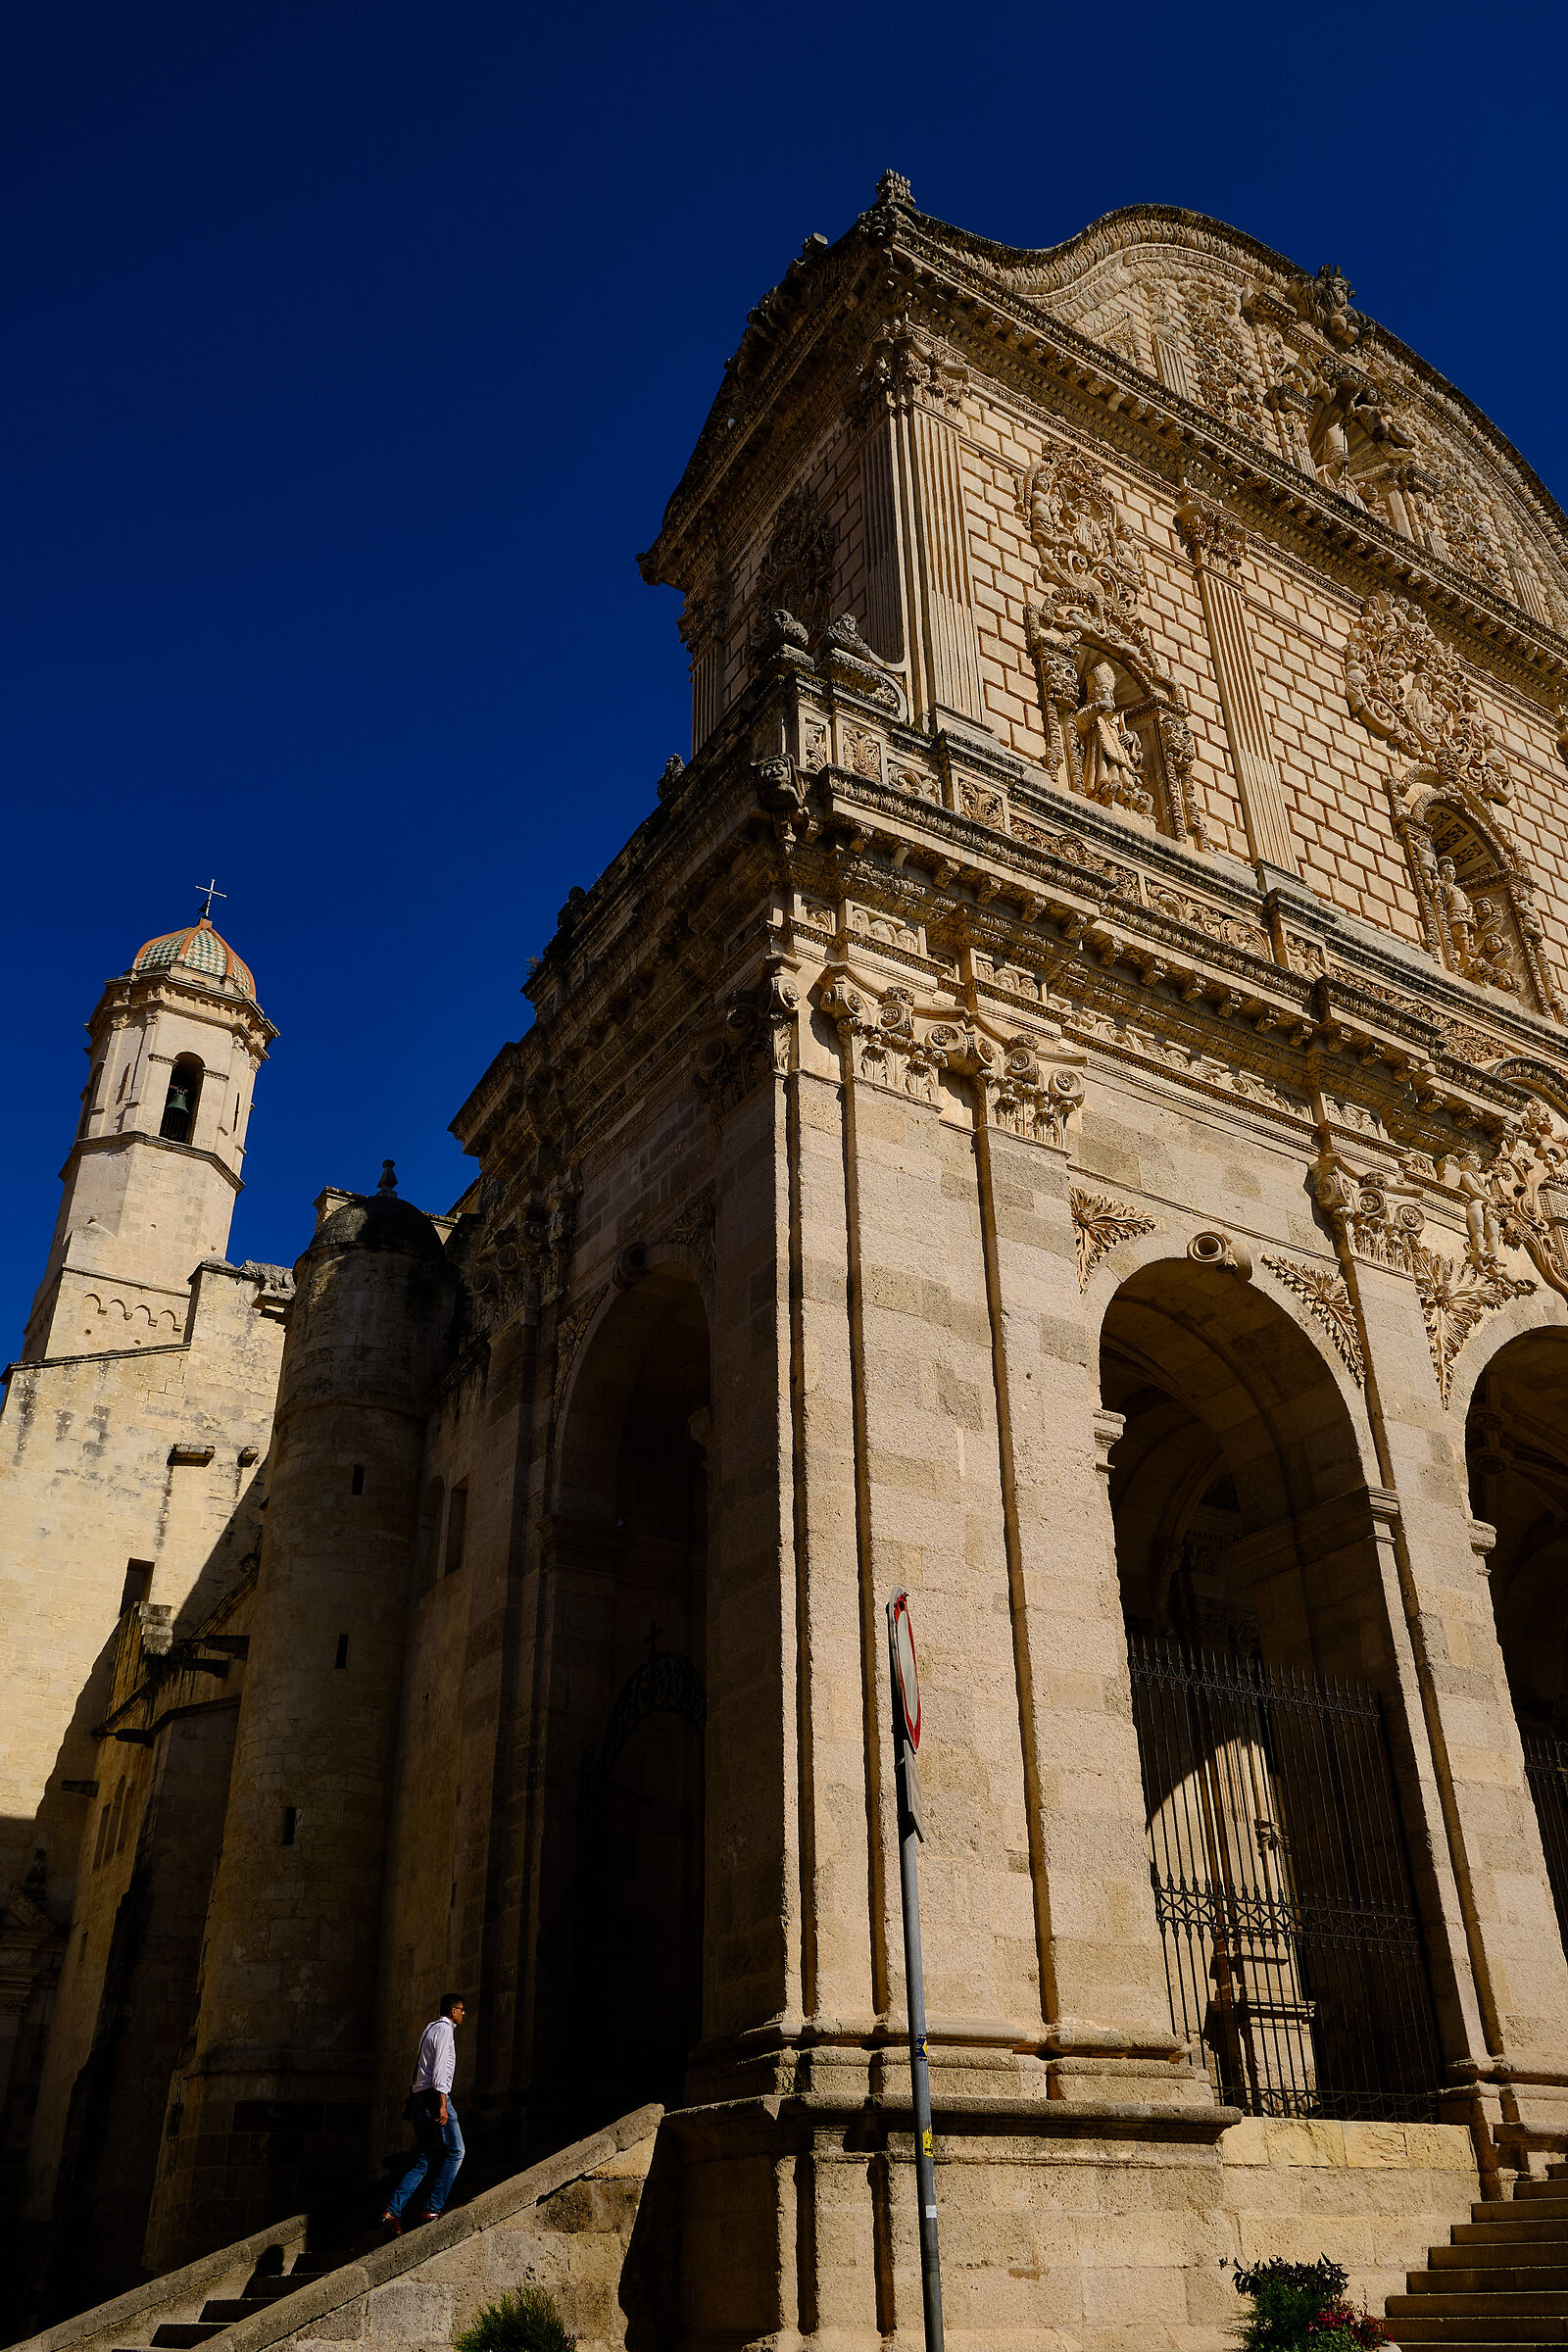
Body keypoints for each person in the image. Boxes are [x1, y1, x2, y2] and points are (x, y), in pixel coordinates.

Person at [382, 1993, 466, 2232]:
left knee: (423, 2160)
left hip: (418, 2099)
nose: (464, 2014)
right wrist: (442, 2103)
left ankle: (392, 2211)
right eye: (462, 2009)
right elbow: (440, 2070)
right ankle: (433, 2207)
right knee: (456, 2151)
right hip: (433, 2098)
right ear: (453, 2011)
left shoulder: (429, 2028)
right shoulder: (446, 2031)